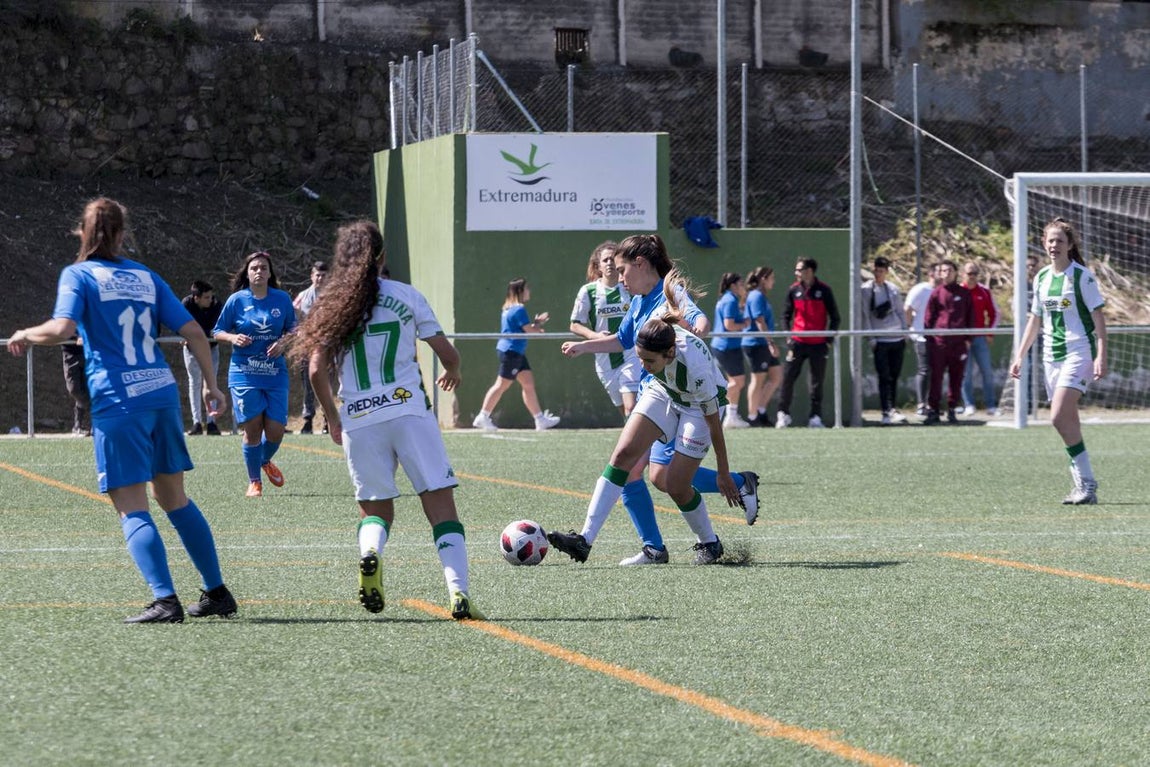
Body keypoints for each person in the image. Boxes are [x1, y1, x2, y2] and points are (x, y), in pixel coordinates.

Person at [6, 197, 236, 623]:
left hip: (119, 399)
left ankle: (165, 600)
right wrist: (211, 384)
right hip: (160, 392)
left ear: (82, 231)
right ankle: (217, 592)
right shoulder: (146, 276)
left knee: (131, 505)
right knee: (175, 498)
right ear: (121, 234)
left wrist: (24, 333)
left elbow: (61, 328)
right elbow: (193, 330)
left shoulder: (78, 275)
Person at [288, 221, 481, 619]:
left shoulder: (332, 304)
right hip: (409, 412)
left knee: (376, 511)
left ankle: (371, 552)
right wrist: (454, 370)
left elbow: (315, 370)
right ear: (381, 256)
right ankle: (458, 593)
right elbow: (447, 353)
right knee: (440, 507)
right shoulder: (406, 295)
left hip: (360, 418)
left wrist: (333, 416)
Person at [552, 234, 760, 567]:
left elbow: (699, 320)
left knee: (672, 483)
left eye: (623, 270)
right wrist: (583, 346)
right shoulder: (638, 301)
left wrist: (695, 330)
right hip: (661, 389)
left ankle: (711, 539)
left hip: (696, 403)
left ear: (640, 264)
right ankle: (587, 541)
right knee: (627, 460)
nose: (620, 279)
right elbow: (622, 340)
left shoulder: (670, 293)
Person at [1011, 219, 1107, 505]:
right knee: (1066, 423)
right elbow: (1035, 320)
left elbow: (1099, 317)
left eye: (1060, 241)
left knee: (1056, 415)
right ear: (1044, 243)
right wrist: (1020, 355)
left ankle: (1086, 485)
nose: (1054, 245)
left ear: (1070, 245)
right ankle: (1085, 484)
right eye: (1050, 241)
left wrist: (1101, 354)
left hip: (1079, 352)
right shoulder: (1041, 277)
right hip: (1050, 357)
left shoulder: (1082, 277)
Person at [212, 251, 297, 497]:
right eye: (254, 268)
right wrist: (232, 337)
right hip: (244, 373)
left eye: (263, 268)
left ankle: (263, 460)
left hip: (275, 373)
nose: (259, 271)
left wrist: (283, 342)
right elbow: (217, 331)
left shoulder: (282, 299)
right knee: (253, 428)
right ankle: (254, 481)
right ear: (247, 273)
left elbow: (294, 329)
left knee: (276, 430)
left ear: (270, 273)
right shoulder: (236, 300)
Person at [472, 278, 561, 432]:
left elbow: (521, 328)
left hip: (515, 351)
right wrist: (538, 330)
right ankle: (483, 416)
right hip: (511, 351)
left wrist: (536, 324)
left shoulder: (509, 309)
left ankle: (540, 419)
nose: (529, 291)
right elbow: (529, 331)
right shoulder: (519, 309)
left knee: (528, 383)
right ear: (520, 291)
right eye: (527, 288)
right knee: (502, 385)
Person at [568, 242, 641, 417]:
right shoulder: (588, 291)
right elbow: (575, 324)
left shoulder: (629, 287)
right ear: (598, 266)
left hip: (631, 355)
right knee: (625, 412)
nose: (609, 263)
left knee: (631, 407)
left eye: (612, 259)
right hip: (604, 361)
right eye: (605, 260)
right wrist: (594, 336)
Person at [776, 257, 841, 429]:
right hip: (797, 343)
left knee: (816, 382)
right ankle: (783, 414)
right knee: (788, 378)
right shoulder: (793, 290)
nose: (796, 273)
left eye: (799, 269)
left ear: (810, 271)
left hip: (818, 345)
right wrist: (788, 337)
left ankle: (815, 417)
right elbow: (785, 316)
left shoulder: (824, 290)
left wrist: (828, 341)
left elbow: (835, 317)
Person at [923, 260, 973, 425]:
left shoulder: (964, 293)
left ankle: (952, 409)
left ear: (956, 272)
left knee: (956, 377)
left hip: (959, 344)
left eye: (949, 270)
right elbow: (928, 319)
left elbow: (971, 317)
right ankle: (933, 410)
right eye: (943, 271)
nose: (946, 273)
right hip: (939, 343)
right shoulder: (936, 293)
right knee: (936, 377)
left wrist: (968, 340)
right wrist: (931, 339)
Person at [861, 256, 908, 425]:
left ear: (887, 272)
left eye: (881, 271)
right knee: (884, 376)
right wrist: (871, 338)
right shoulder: (866, 290)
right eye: (876, 270)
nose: (878, 274)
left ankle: (892, 408)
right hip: (880, 340)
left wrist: (904, 332)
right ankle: (885, 411)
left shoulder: (893, 289)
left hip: (896, 338)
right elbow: (865, 315)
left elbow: (900, 312)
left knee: (894, 376)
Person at [182, 280, 223, 436]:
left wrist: (196, 334)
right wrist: (187, 335)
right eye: (206, 297)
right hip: (192, 349)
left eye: (211, 296)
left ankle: (211, 422)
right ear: (196, 298)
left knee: (211, 383)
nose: (210, 300)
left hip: (211, 348)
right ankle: (197, 422)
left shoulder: (216, 305)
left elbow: (216, 327)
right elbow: (180, 324)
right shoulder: (186, 304)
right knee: (195, 382)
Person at [743, 266, 783, 427]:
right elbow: (759, 321)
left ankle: (760, 410)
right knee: (758, 379)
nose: (774, 281)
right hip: (756, 344)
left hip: (764, 343)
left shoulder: (761, 296)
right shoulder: (756, 296)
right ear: (763, 279)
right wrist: (770, 343)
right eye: (771, 278)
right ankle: (753, 418)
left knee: (776, 376)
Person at [960, 261, 1001, 416]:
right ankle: (969, 405)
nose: (972, 276)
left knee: (987, 372)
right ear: (963, 274)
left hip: (980, 338)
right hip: (962, 340)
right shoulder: (958, 291)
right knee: (965, 374)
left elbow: (995, 313)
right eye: (969, 273)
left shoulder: (984, 291)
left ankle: (991, 406)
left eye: (975, 273)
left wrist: (990, 333)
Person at [711, 272, 751, 429]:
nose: (743, 287)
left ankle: (731, 417)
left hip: (726, 347)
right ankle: (711, 400)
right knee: (738, 382)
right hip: (727, 347)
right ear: (733, 285)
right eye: (740, 284)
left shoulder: (729, 298)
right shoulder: (730, 300)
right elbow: (729, 325)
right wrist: (745, 324)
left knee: (735, 382)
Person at [292, 261, 328, 434]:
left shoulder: (334, 295)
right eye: (317, 275)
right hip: (308, 346)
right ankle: (308, 420)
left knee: (327, 384)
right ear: (312, 276)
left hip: (328, 346)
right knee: (308, 384)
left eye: (323, 275)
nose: (320, 278)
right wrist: (298, 331)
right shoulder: (303, 296)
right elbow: (293, 317)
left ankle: (328, 419)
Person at [903, 263, 941, 416]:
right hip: (922, 337)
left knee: (936, 371)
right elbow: (907, 309)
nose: (942, 274)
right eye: (939, 271)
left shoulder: (943, 291)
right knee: (924, 370)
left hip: (939, 338)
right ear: (931, 274)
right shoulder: (921, 290)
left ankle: (932, 404)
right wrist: (910, 327)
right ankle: (921, 404)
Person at [61, 336, 90, 436]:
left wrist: (84, 336)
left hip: (87, 353)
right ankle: (94, 412)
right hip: (69, 353)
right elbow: (60, 330)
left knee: (88, 388)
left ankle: (78, 426)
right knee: (74, 389)